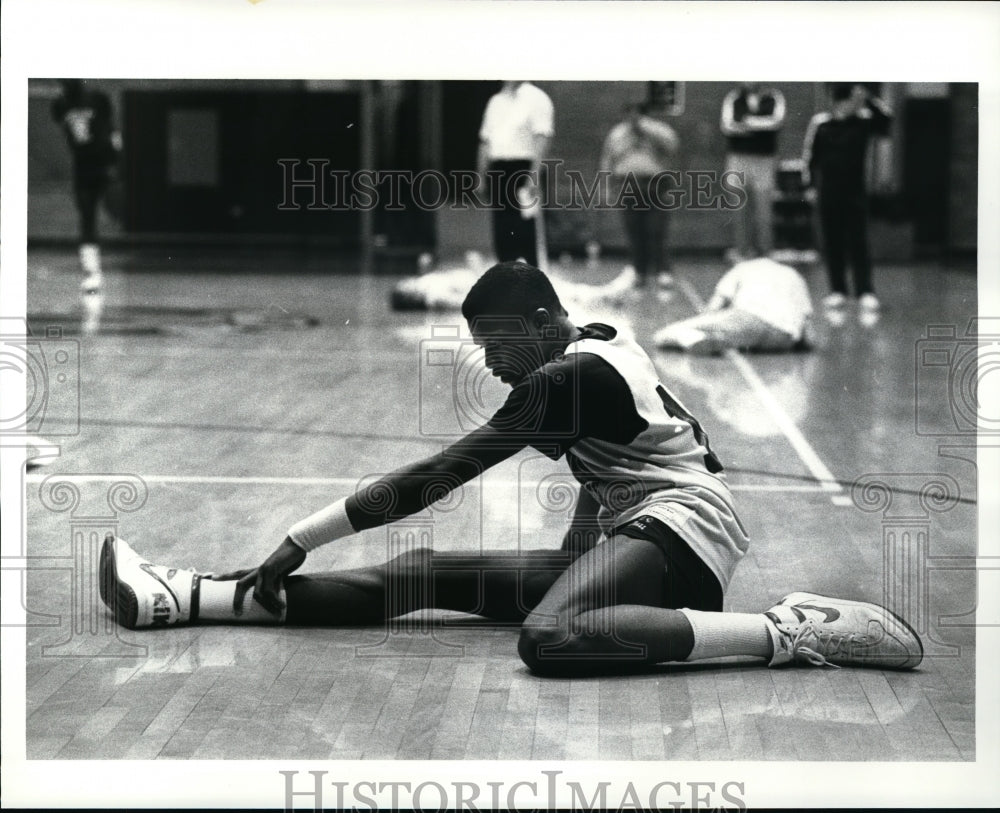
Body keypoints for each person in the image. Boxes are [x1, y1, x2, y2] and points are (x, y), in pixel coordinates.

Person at [100, 262, 922, 676]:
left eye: (495, 344)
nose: (490, 363)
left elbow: (438, 477)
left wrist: (300, 534)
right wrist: (581, 552)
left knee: (549, 636)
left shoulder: (568, 377)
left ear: (537, 324)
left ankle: (788, 632)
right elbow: (617, 472)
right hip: (632, 524)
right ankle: (189, 595)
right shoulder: (580, 349)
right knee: (420, 573)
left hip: (685, 532)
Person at [803, 83, 893, 312]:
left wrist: (869, 99)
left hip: (855, 192)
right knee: (833, 242)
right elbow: (810, 158)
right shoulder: (821, 124)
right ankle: (837, 291)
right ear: (840, 102)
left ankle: (865, 291)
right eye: (851, 100)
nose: (855, 105)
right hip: (828, 192)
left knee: (858, 242)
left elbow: (887, 120)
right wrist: (810, 187)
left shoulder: (864, 122)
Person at [652, 255, 813, 355]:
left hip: (750, 318)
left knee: (663, 335)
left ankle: (697, 339)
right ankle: (720, 338)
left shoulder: (742, 267)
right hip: (785, 336)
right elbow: (807, 324)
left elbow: (714, 308)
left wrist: (708, 320)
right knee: (740, 332)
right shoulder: (794, 274)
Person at [51, 79, 122, 293]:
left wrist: (116, 161)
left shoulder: (98, 99)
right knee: (87, 217)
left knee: (110, 211)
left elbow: (112, 129)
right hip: (82, 167)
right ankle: (92, 272)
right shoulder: (59, 104)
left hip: (105, 164)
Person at [599, 102, 680, 288]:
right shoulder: (618, 133)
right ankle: (638, 271)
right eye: (629, 114)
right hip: (628, 184)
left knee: (657, 229)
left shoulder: (659, 130)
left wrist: (646, 130)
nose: (633, 118)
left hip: (655, 183)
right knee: (634, 230)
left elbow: (672, 147)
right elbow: (607, 160)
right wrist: (605, 186)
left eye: (637, 114)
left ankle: (663, 271)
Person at [477, 82, 554, 268]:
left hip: (524, 170)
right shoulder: (495, 102)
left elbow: (543, 138)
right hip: (498, 168)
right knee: (502, 227)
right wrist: (480, 176)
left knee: (527, 227)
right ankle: (505, 274)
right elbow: (485, 141)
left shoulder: (536, 98)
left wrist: (534, 175)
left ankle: (533, 277)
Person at [720, 83, 786, 262]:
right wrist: (760, 125)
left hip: (764, 160)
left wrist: (747, 123)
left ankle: (766, 254)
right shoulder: (733, 97)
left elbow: (776, 122)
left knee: (764, 208)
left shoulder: (774, 97)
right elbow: (727, 126)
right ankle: (742, 252)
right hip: (738, 159)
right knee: (739, 205)